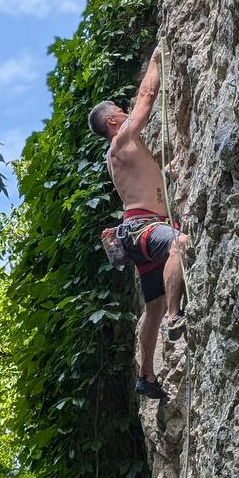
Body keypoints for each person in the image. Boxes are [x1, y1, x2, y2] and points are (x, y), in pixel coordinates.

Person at [88, 48, 187, 400]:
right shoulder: (123, 140)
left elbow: (146, 183)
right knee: (179, 244)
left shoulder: (124, 153)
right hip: (142, 228)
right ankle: (177, 319)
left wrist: (168, 173)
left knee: (153, 305)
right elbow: (147, 95)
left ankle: (146, 373)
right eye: (120, 111)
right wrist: (157, 59)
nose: (127, 113)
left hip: (137, 231)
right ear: (113, 122)